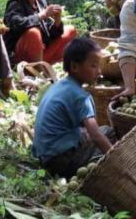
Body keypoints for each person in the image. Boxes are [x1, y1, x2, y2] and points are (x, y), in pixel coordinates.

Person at [32, 38, 115, 178]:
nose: (99, 71)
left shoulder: (59, 85)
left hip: (45, 156)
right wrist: (116, 157)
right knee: (109, 133)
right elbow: (96, 136)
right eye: (94, 66)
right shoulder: (81, 97)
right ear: (75, 67)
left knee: (98, 132)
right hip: (61, 162)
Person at [3, 0, 77, 64]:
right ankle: (36, 70)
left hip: (39, 55)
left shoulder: (41, 2)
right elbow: (16, 24)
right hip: (20, 58)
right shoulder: (15, 3)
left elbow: (50, 35)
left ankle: (44, 67)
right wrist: (42, 15)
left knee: (70, 30)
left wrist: (57, 21)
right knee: (33, 32)